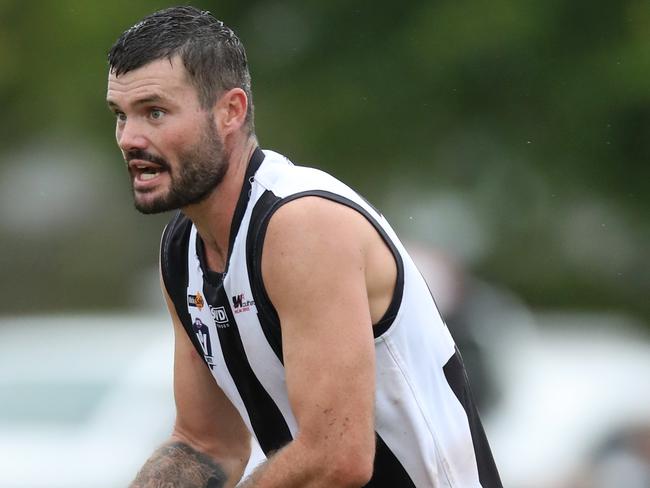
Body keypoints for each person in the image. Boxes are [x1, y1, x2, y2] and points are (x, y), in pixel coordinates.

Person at [106, 6, 502, 487]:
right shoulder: (182, 247)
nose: (130, 138)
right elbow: (207, 444)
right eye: (121, 116)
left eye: (154, 112)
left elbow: (336, 458)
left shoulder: (300, 224)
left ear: (230, 111)